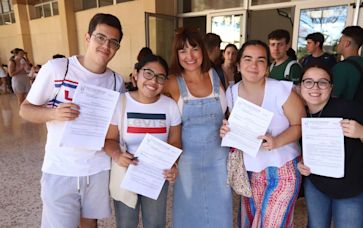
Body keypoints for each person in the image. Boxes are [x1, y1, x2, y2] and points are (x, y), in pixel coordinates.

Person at [19, 13, 125, 228]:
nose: (106, 46)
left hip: (97, 168)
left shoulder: (116, 81)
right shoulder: (59, 68)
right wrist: (53, 113)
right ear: (88, 37)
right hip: (61, 167)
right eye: (101, 37)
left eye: (114, 42)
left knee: (89, 223)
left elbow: (115, 127)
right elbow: (25, 110)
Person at [220, 40, 305, 227]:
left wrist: (277, 141)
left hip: (283, 170)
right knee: (251, 222)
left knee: (272, 223)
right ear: (239, 64)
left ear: (267, 66)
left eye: (260, 60)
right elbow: (233, 127)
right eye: (248, 59)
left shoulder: (281, 90)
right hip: (250, 171)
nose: (253, 65)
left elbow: (300, 124)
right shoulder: (231, 93)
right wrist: (226, 129)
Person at [297, 64, 363, 227]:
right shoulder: (300, 113)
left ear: (331, 87)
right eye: (308, 82)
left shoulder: (349, 109)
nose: (315, 88)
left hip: (352, 187)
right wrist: (302, 162)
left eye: (322, 82)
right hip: (317, 184)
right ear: (300, 86)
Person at [164, 27, 233, 228]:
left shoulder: (215, 75)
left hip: (219, 160)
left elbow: (229, 113)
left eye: (194, 49)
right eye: (183, 51)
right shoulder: (171, 82)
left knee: (220, 213)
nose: (189, 56)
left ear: (202, 50)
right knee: (188, 214)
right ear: (177, 55)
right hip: (187, 163)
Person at [104, 54, 181, 228]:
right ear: (135, 74)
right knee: (126, 223)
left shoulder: (170, 106)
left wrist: (173, 165)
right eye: (148, 73)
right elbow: (109, 140)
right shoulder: (121, 102)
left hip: (156, 176)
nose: (153, 81)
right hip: (126, 174)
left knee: (155, 224)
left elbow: (175, 142)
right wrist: (117, 155)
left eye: (160, 77)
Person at [332, 26, 363, 100]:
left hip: (344, 109)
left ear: (347, 43)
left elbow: (334, 95)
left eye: (340, 41)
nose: (338, 44)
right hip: (362, 109)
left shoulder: (342, 67)